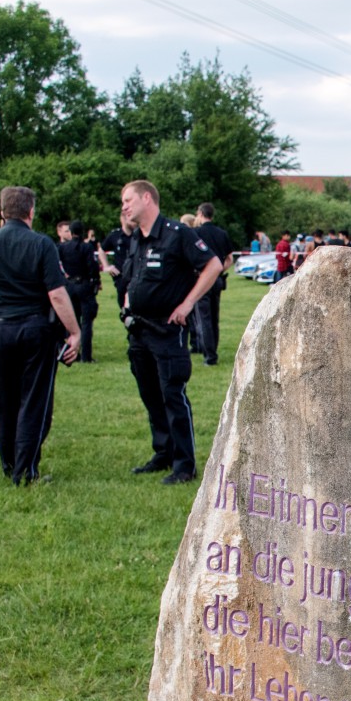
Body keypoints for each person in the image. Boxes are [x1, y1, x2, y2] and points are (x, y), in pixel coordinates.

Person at [0, 185, 81, 485]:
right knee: (33, 401)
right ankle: (25, 470)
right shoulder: (41, 244)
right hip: (35, 329)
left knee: (4, 400)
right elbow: (57, 294)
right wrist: (74, 331)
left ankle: (9, 463)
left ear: (2, 212)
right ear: (30, 211)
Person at [120, 180, 223, 485]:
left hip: (167, 330)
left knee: (172, 395)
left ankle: (184, 465)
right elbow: (133, 277)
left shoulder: (177, 234)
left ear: (147, 198)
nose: (124, 206)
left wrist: (188, 303)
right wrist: (128, 302)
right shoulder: (137, 238)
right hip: (139, 329)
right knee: (150, 395)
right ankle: (163, 453)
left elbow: (213, 265)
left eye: (128, 200)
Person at [193, 202, 234, 366]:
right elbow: (230, 258)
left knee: (204, 318)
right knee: (214, 316)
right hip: (217, 279)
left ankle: (209, 355)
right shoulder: (221, 233)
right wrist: (217, 271)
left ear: (201, 213)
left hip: (202, 279)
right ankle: (212, 349)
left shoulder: (196, 233)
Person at [58, 219, 101, 363]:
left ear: (70, 232)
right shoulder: (86, 247)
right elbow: (92, 267)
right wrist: (95, 280)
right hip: (83, 285)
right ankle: (86, 356)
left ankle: (73, 354)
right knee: (87, 322)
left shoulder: (62, 248)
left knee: (73, 321)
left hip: (70, 286)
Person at [98, 214, 134, 308]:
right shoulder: (115, 235)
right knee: (123, 309)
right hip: (121, 278)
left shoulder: (138, 235)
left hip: (135, 278)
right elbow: (101, 250)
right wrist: (106, 266)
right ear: (123, 219)